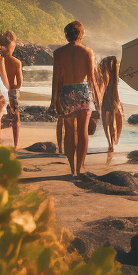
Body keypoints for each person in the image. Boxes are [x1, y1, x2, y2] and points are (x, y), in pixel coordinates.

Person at [51, 21, 98, 176]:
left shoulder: (58, 53)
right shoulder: (87, 52)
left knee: (70, 131)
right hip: (83, 93)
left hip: (67, 92)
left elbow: (56, 79)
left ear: (67, 34)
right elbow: (91, 79)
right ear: (81, 34)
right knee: (83, 131)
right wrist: (98, 98)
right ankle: (80, 167)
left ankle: (72, 169)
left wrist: (54, 100)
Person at [0, 30, 24, 150]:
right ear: (12, 47)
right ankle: (15, 144)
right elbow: (19, 82)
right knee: (16, 119)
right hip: (12, 93)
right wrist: (14, 86)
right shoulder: (16, 62)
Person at [98, 55, 123, 153]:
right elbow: (115, 87)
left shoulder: (103, 72)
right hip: (111, 96)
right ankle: (113, 141)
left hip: (105, 97)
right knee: (112, 121)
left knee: (106, 121)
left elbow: (100, 86)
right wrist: (118, 100)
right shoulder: (113, 73)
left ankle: (110, 142)